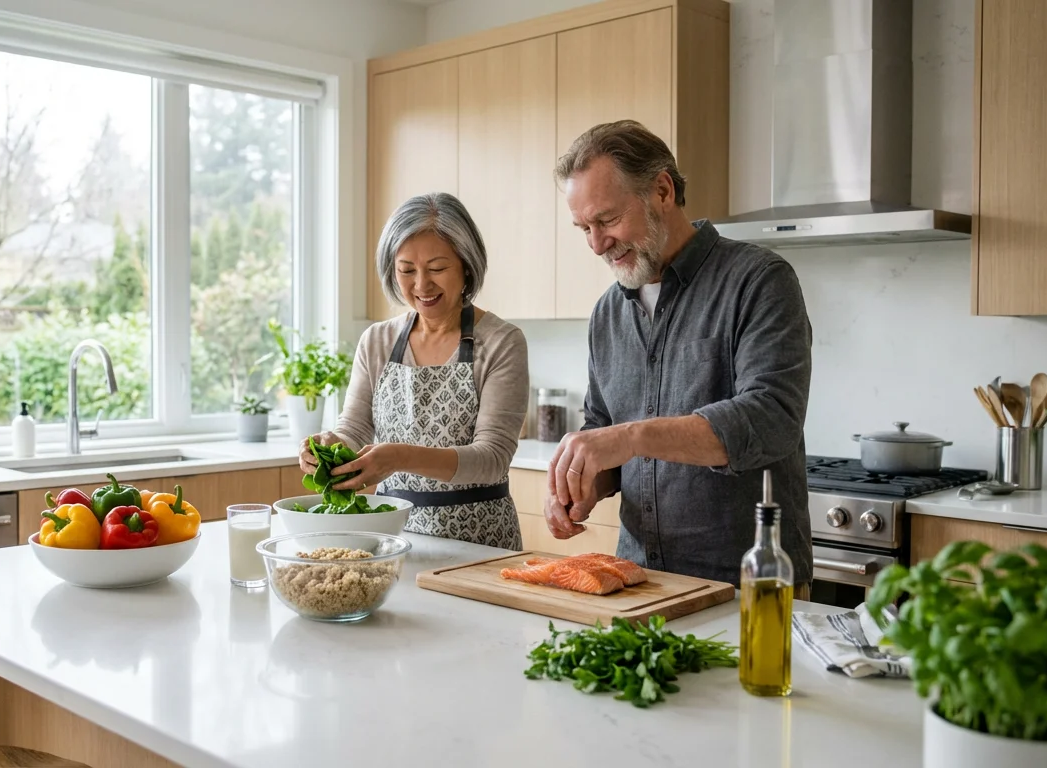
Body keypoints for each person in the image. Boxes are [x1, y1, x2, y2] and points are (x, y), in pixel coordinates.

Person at [544, 120, 813, 592]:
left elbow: (772, 419)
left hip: (747, 585)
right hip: (639, 581)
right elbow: (602, 427)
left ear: (662, 191)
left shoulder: (759, 280)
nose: (596, 243)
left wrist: (629, 438)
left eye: (606, 220)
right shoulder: (608, 311)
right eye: (583, 227)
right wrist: (585, 484)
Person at [300, 192, 530, 549]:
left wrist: (399, 457)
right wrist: (330, 446)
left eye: (437, 268)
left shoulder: (502, 342)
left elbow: (492, 459)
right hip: (391, 538)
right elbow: (356, 427)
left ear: (466, 265)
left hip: (481, 543)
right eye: (407, 270)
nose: (421, 286)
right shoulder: (377, 341)